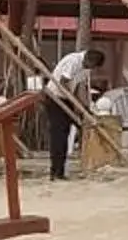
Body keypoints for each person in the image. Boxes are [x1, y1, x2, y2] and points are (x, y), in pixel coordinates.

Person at [43, 45, 105, 180]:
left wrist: (82, 107)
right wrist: (73, 101)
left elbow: (78, 87)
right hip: (55, 97)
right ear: (89, 60)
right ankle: (56, 172)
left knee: (82, 126)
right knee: (59, 135)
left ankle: (87, 161)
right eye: (92, 66)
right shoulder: (73, 61)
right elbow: (63, 82)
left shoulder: (85, 69)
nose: (92, 69)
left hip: (68, 97)